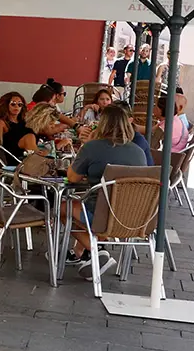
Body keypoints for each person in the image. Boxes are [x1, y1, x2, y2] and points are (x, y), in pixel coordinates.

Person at [65, 105, 146, 278]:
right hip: (134, 217)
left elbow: (72, 178)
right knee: (85, 208)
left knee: (63, 208)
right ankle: (90, 251)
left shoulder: (92, 148)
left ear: (102, 124)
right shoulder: (138, 152)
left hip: (101, 215)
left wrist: (85, 145)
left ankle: (95, 250)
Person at [0, 92, 31, 164]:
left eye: (19, 104)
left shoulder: (23, 121)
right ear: (6, 105)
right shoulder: (1, 122)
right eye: (13, 104)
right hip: (12, 156)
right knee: (29, 138)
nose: (16, 107)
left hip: (25, 154)